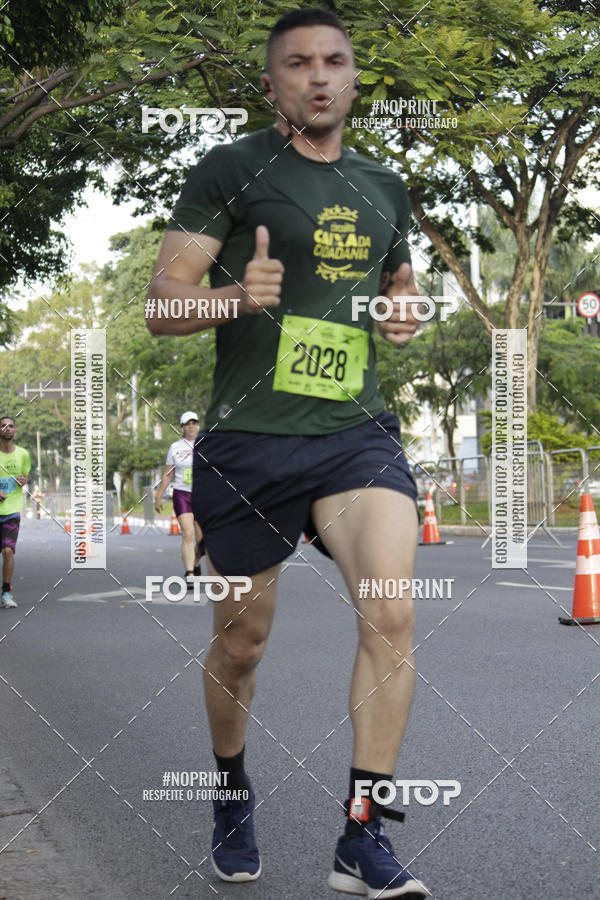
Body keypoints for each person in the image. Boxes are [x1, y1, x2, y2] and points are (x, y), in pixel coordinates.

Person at [146, 7, 428, 897]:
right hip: (250, 443)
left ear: (353, 79)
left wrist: (403, 312)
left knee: (391, 614)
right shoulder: (230, 170)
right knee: (243, 644)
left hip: (356, 435)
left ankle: (361, 837)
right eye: (297, 63)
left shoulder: (385, 186)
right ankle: (231, 792)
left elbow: (399, 287)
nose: (317, 75)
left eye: (334, 61)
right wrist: (232, 295)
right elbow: (161, 304)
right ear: (271, 83)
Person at [154, 412, 204, 588]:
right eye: (187, 424)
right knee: (188, 533)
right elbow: (169, 474)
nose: (191, 426)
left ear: (198, 425)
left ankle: (196, 562)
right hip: (182, 493)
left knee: (203, 540)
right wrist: (159, 495)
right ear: (182, 427)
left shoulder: (207, 445)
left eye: (194, 423)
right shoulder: (175, 447)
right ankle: (190, 573)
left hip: (202, 495)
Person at [0, 416, 31, 609]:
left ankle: (6, 592)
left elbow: (25, 475)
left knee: (8, 551)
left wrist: (23, 479)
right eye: (3, 426)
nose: (7, 428)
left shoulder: (23, 454)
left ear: (15, 431)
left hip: (11, 510)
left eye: (11, 426)